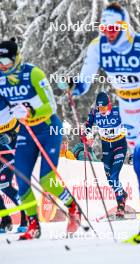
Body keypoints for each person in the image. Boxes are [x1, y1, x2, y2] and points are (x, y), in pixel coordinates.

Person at [71, 2, 140, 242]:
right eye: (104, 28)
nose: (108, 33)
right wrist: (75, 88)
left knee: (139, 160)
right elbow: (85, 79)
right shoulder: (98, 47)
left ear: (124, 27)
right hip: (128, 111)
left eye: (113, 28)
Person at [0, 38, 81, 240]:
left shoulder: (33, 74)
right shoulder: (1, 80)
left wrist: (29, 109)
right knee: (21, 176)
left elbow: (50, 105)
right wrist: (13, 111)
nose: (3, 67)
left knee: (47, 180)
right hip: (26, 131)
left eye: (6, 62)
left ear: (15, 59)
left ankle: (72, 208)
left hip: (49, 128)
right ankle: (33, 224)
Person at [84, 92, 127, 218]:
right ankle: (122, 194)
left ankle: (120, 204)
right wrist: (86, 134)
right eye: (99, 107)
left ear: (109, 105)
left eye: (103, 107)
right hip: (106, 147)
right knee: (110, 179)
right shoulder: (94, 113)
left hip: (119, 145)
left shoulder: (118, 111)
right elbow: (88, 125)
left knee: (114, 176)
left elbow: (133, 121)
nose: (101, 110)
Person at [0, 95, 27, 233]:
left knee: (4, 184)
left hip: (12, 144)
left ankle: (25, 216)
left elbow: (22, 119)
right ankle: (5, 220)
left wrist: (11, 135)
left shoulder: (4, 94)